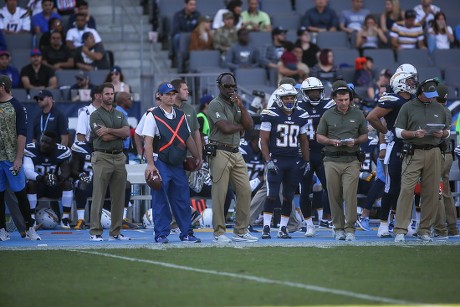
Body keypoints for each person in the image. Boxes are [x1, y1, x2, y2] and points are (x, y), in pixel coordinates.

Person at [142, 83, 202, 244]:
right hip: (160, 161)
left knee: (182, 198)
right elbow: (147, 142)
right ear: (159, 96)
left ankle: (187, 233)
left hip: (177, 163)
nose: (171, 97)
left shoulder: (181, 115)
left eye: (173, 94)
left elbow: (187, 138)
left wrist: (198, 157)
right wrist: (150, 165)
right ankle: (161, 233)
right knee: (160, 198)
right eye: (167, 94)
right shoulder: (152, 115)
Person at [392, 78, 449, 243]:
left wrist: (442, 134)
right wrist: (413, 134)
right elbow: (398, 131)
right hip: (413, 152)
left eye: (433, 95)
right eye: (428, 95)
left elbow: (447, 131)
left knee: (431, 192)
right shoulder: (407, 107)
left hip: (434, 152)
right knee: (406, 190)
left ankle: (424, 229)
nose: (431, 98)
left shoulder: (440, 108)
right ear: (420, 92)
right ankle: (401, 229)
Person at [206, 72, 258, 243]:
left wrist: (242, 107)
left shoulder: (236, 104)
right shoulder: (215, 104)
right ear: (219, 86)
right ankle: (219, 233)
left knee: (245, 190)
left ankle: (240, 230)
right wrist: (240, 126)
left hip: (236, 152)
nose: (230, 89)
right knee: (220, 194)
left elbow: (250, 126)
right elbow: (225, 127)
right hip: (219, 151)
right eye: (226, 86)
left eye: (232, 86)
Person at [366, 71, 418, 238]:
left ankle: (406, 222)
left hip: (414, 146)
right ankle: (383, 224)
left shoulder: (414, 100)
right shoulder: (392, 99)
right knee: (391, 187)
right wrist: (386, 132)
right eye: (410, 80)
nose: (413, 83)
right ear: (401, 82)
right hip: (396, 146)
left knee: (410, 188)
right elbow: (372, 117)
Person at [316, 80, 368, 241]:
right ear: (334, 99)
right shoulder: (328, 114)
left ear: (350, 98)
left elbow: (365, 135)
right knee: (334, 194)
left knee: (349, 194)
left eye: (346, 99)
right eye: (340, 100)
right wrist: (330, 141)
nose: (344, 103)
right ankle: (338, 227)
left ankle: (350, 228)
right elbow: (319, 136)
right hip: (331, 159)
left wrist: (357, 141)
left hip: (352, 159)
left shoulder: (358, 114)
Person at [259, 83, 310, 239]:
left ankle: (283, 228)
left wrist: (306, 161)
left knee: (288, 196)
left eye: (292, 97)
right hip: (276, 159)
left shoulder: (301, 115)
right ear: (279, 99)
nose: (289, 100)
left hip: (293, 160)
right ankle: (266, 227)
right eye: (286, 97)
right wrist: (268, 160)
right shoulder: (270, 114)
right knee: (272, 194)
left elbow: (304, 141)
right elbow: (263, 140)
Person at [88, 82, 131, 241]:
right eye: (107, 94)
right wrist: (117, 133)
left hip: (119, 157)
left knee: (118, 197)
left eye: (112, 94)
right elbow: (103, 137)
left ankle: (116, 232)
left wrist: (109, 130)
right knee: (98, 195)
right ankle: (95, 231)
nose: (110, 96)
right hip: (102, 157)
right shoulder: (95, 114)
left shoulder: (119, 114)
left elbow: (127, 132)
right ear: (100, 96)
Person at [0, 75, 40, 241]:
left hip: (11, 158)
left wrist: (18, 158)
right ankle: (2, 230)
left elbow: (22, 133)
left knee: (21, 193)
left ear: (2, 86)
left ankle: (30, 227)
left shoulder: (17, 106)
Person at [297, 77, 335, 235]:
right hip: (304, 153)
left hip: (323, 152)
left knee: (331, 188)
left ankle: (334, 221)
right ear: (304, 93)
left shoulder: (329, 105)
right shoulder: (297, 107)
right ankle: (309, 223)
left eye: (317, 91)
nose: (314, 94)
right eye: (310, 91)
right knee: (305, 190)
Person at [23, 130, 73, 229]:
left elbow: (66, 173)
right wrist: (42, 178)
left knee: (67, 183)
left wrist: (57, 178)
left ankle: (65, 218)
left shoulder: (61, 151)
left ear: (54, 145)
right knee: (31, 183)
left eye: (47, 143)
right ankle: (32, 218)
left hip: (53, 185)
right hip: (38, 186)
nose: (43, 144)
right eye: (42, 141)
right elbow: (28, 172)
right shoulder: (31, 149)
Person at [435, 84, 458, 238]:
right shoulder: (448, 111)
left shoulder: (436, 111)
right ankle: (452, 228)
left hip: (439, 154)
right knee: (446, 192)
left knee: (436, 190)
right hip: (448, 154)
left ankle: (440, 228)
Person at [170, 0, 201, 65]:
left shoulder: (198, 15)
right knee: (177, 37)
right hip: (182, 36)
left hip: (194, 36)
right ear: (185, 5)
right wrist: (186, 35)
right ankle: (179, 58)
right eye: (191, 4)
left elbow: (200, 28)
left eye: (194, 5)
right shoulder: (178, 15)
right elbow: (175, 29)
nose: (193, 6)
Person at [114, 91, 133, 162]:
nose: (131, 101)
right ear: (123, 101)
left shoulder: (121, 113)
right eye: (129, 99)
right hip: (120, 151)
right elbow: (119, 133)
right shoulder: (118, 114)